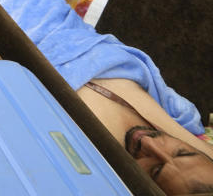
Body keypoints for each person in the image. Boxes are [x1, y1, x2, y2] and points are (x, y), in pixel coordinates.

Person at [78, 79, 213, 195]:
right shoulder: (181, 115)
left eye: (156, 170)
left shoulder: (85, 153)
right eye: (182, 153)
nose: (148, 142)